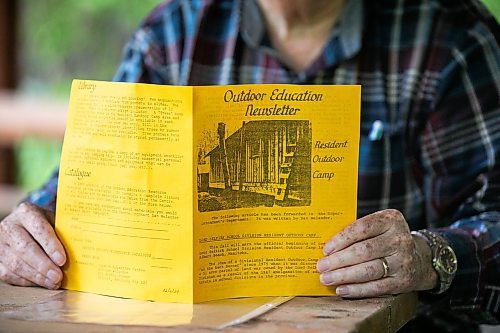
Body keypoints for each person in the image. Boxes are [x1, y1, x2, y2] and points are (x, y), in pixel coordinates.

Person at [0, 0, 499, 331]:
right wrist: (27, 231)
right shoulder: (172, 35)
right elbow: (76, 194)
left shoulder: (451, 39)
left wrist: (431, 256)